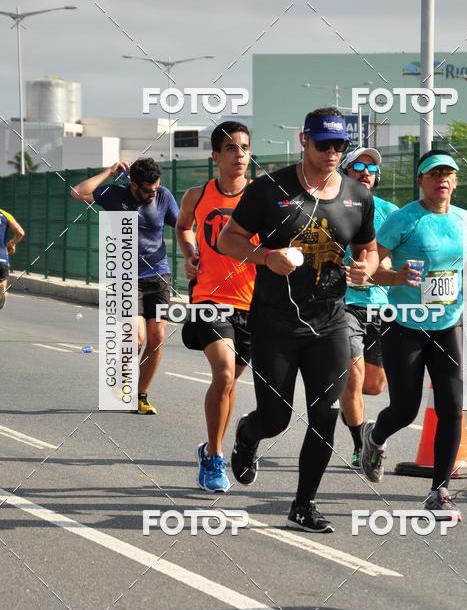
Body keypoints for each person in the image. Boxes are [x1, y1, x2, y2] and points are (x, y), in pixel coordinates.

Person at [218, 107, 378, 533]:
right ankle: (249, 436)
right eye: (323, 143)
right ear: (303, 140)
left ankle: (303, 504)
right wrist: (266, 256)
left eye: (339, 145)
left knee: (326, 412)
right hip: (275, 322)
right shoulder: (269, 189)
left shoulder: (358, 197)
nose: (331, 152)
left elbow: (370, 249)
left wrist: (367, 267)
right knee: (276, 418)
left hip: (330, 323)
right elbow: (226, 239)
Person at [360, 150, 467, 519]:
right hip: (405, 323)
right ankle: (376, 436)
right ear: (421, 181)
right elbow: (374, 265)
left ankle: (439, 491)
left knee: (451, 407)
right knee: (404, 409)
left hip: (449, 323)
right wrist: (395, 276)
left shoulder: (466, 221)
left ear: (455, 182)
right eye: (434, 174)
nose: (442, 180)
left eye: (448, 174)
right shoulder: (404, 220)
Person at [176, 121, 256, 493]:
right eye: (231, 149)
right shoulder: (197, 194)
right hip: (209, 296)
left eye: (244, 148)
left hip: (253, 303)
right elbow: (183, 227)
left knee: (230, 382)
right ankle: (214, 457)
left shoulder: (262, 197)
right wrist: (190, 253)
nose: (239, 155)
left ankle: (212, 446)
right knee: (223, 374)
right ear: (215, 157)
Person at [72, 157, 179, 414]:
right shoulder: (113, 194)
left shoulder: (163, 196)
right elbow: (78, 192)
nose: (151, 194)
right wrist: (109, 171)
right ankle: (123, 378)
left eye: (155, 189)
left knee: (157, 338)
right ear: (133, 185)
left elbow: (184, 225)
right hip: (126, 278)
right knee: (137, 337)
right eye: (146, 190)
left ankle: (141, 396)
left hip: (160, 276)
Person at [338, 147, 398, 467]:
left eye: (372, 168)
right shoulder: (333, 206)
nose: (365, 172)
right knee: (353, 378)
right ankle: (361, 445)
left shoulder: (390, 211)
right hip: (343, 303)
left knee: (373, 385)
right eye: (358, 166)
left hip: (380, 305)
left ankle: (350, 411)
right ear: (345, 172)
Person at [0, 208, 25, 309]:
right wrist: (12, 243)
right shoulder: (4, 214)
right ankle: (2, 291)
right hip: (2, 257)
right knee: (2, 279)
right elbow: (20, 233)